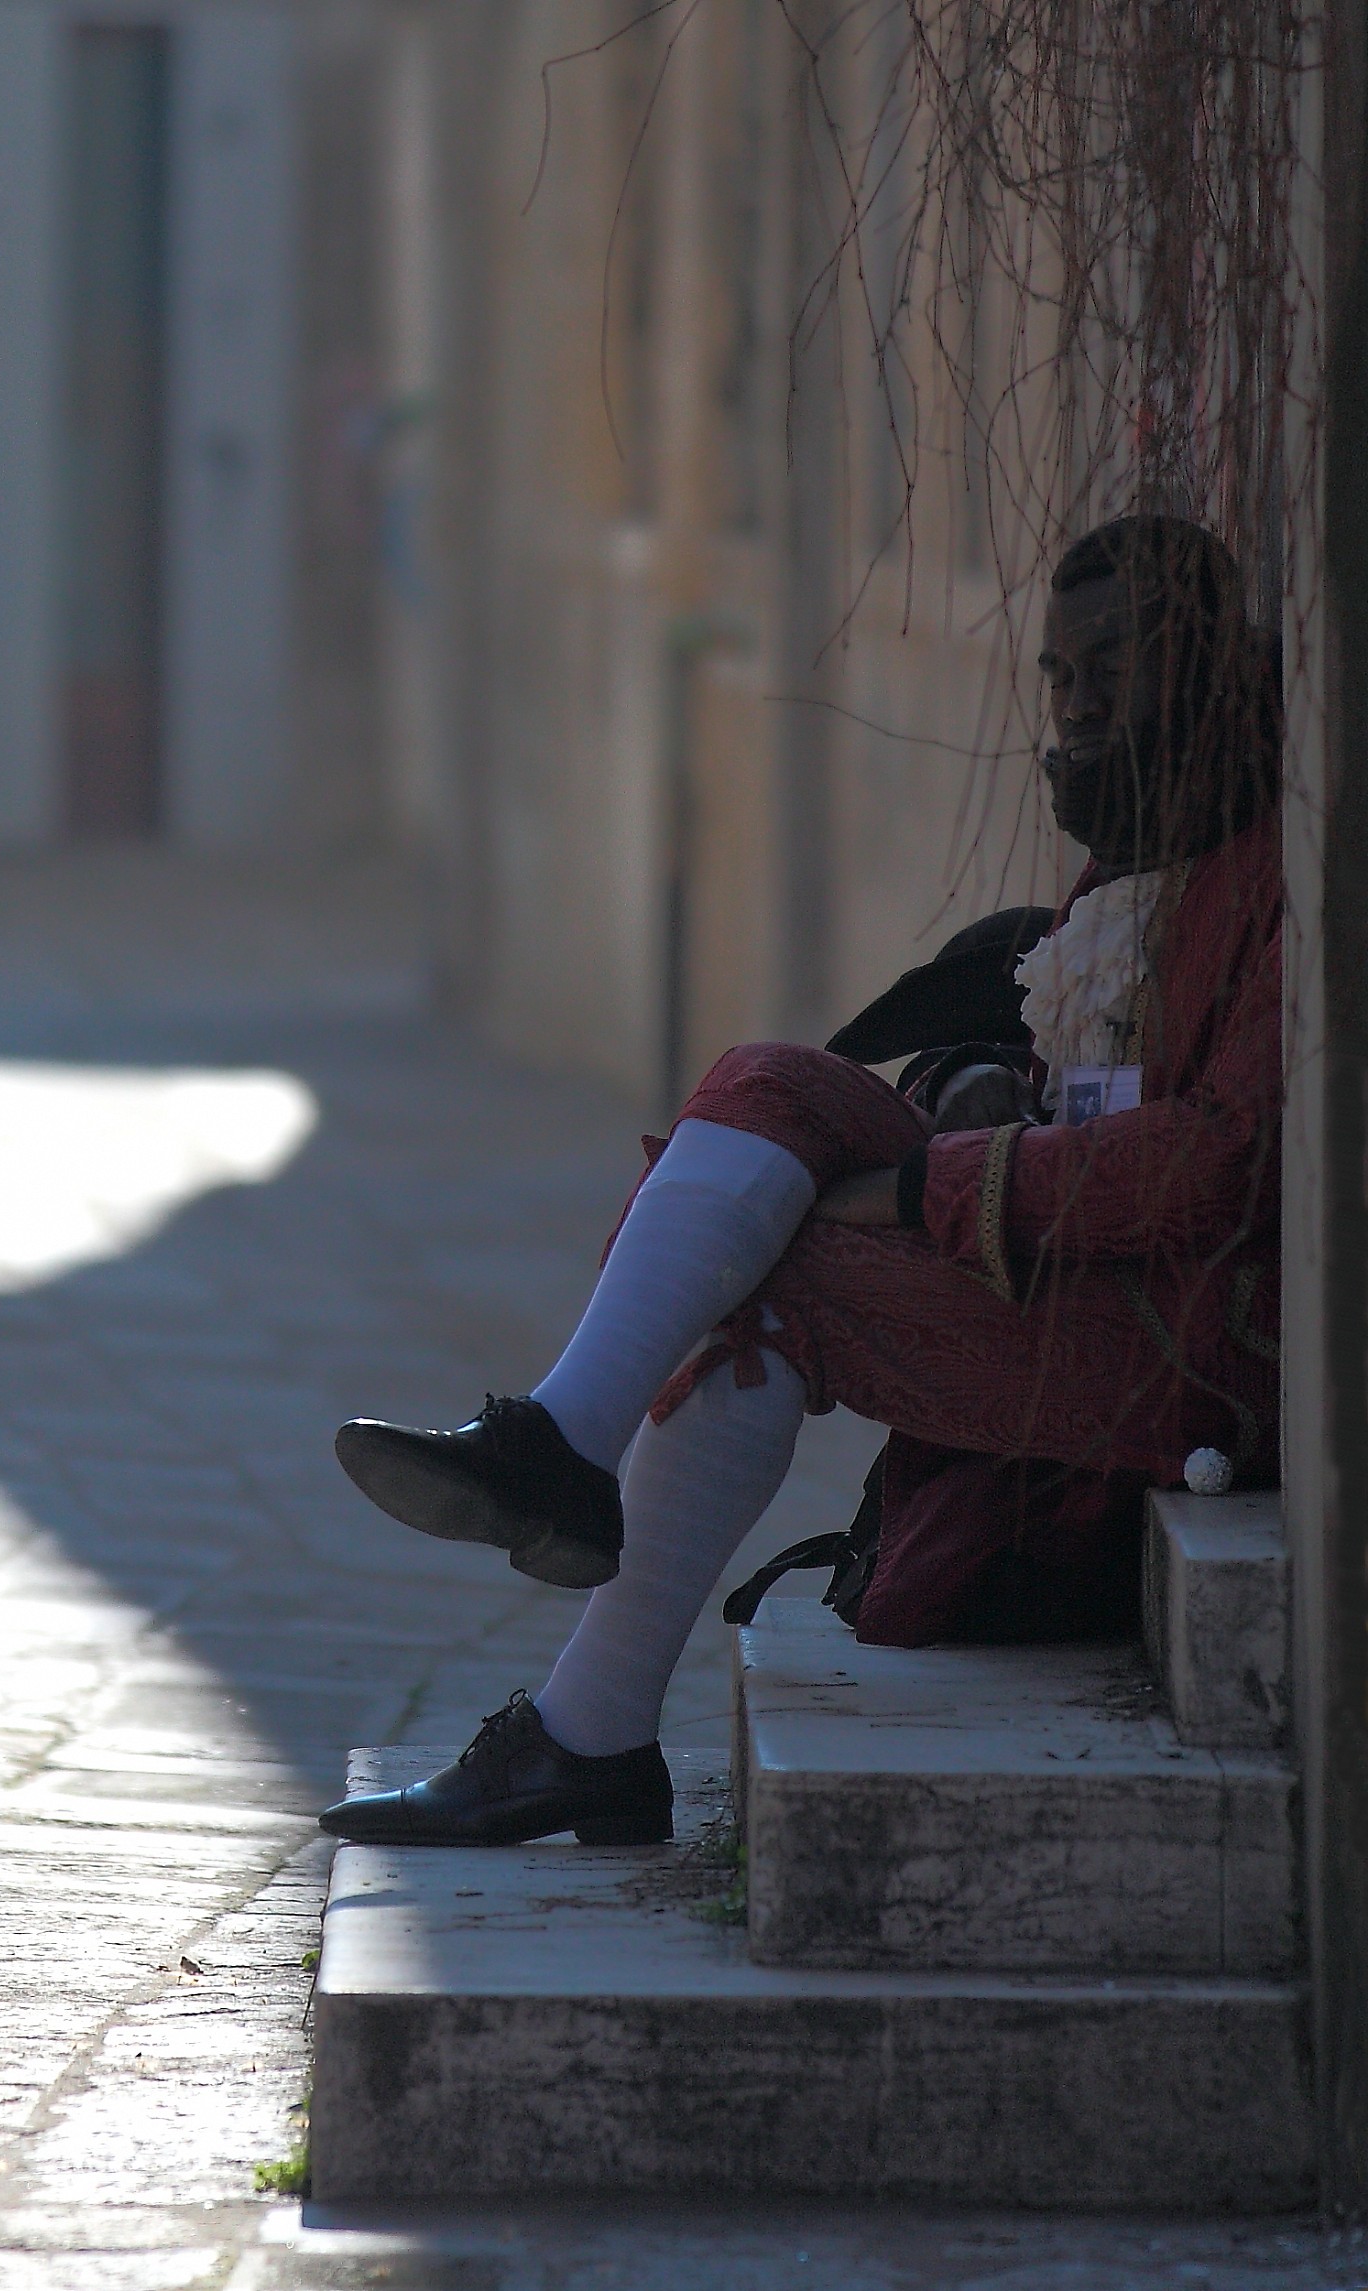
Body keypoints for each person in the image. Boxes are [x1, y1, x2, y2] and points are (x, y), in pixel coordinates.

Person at [318, 514, 1284, 1849]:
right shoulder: (1134, 859)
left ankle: (588, 1727)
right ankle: (560, 1444)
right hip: (1074, 1271)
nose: (1077, 705)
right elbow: (1082, 1081)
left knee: (774, 1285)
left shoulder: (1283, 880)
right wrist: (971, 1088)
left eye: (1116, 666)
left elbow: (1211, 1166)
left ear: (1214, 667)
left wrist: (927, 1184)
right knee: (769, 1082)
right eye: (1060, 675)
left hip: (1187, 1351)